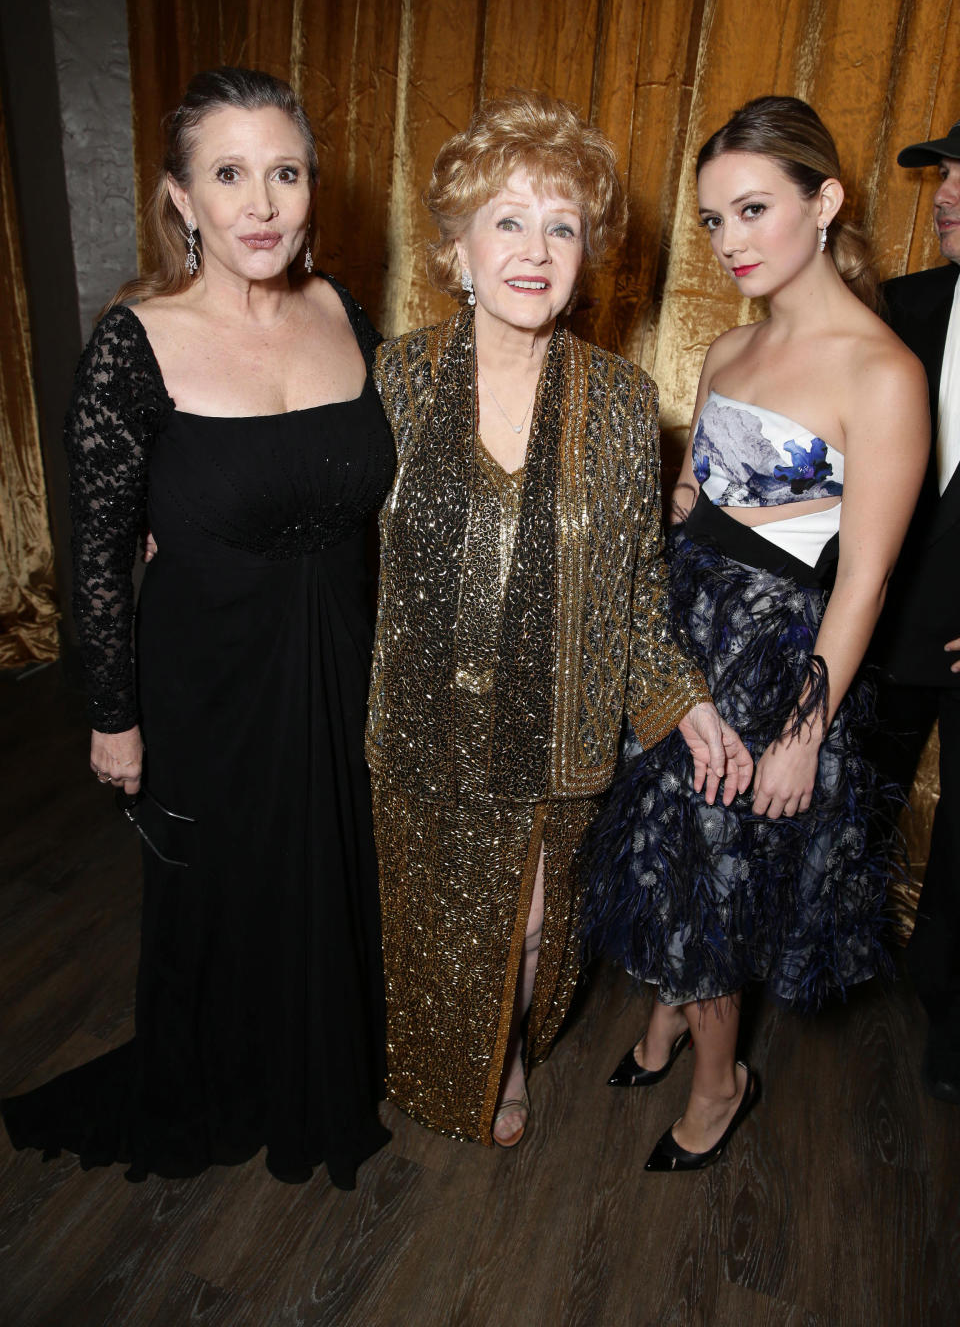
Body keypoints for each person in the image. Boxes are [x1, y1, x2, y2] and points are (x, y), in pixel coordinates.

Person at [1, 68, 395, 1188]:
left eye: (285, 171)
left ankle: (319, 1073)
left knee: (329, 875)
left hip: (337, 656)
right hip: (206, 673)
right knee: (225, 894)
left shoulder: (343, 311)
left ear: (312, 187)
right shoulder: (136, 341)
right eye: (229, 174)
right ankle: (226, 1081)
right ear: (181, 198)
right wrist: (114, 720)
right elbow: (99, 554)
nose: (261, 202)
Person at [365, 89, 752, 1149]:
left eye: (563, 225)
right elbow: (325, 544)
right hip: (418, 727)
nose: (535, 250)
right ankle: (435, 1058)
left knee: (533, 926)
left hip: (557, 729)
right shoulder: (392, 382)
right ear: (458, 248)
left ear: (588, 254)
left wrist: (685, 704)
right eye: (509, 219)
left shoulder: (624, 403)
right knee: (430, 929)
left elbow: (635, 586)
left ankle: (508, 1060)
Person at [582, 96, 929, 1171]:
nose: (730, 242)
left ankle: (720, 1083)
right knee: (650, 846)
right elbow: (697, 495)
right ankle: (672, 1016)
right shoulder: (728, 347)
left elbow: (864, 580)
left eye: (752, 210)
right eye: (713, 220)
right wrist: (681, 506)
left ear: (823, 203)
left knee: (704, 875)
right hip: (679, 639)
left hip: (771, 667)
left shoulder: (884, 374)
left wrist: (801, 736)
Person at [869, 117, 960, 1105]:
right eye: (945, 173)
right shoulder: (899, 308)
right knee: (848, 808)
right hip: (884, 629)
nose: (947, 193)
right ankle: (823, 980)